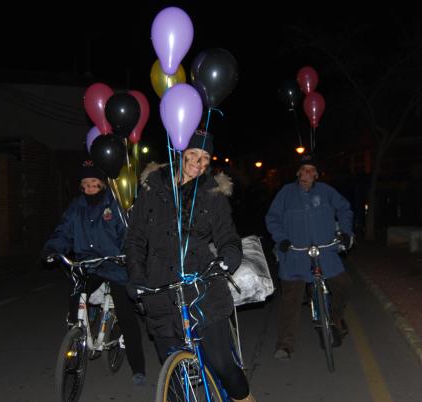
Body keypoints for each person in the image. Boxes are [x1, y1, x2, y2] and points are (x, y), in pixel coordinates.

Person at [125, 131, 255, 402]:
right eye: (193, 155)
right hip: (159, 288)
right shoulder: (152, 189)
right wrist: (136, 276)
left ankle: (245, 399)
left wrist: (228, 258)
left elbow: (227, 235)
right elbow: (135, 238)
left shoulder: (212, 194)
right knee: (173, 375)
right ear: (179, 155)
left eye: (206, 157)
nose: (199, 162)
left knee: (222, 364)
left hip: (204, 285)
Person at [41, 160, 146, 385]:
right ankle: (76, 335)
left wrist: (126, 254)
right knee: (75, 291)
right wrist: (53, 248)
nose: (89, 189)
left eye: (94, 184)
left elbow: (128, 234)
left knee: (126, 314)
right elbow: (64, 231)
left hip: (115, 265)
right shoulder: (76, 207)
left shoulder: (115, 205)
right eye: (85, 185)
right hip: (88, 265)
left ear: (103, 185)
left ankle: (138, 367)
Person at [265, 154, 354, 360]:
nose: (308, 174)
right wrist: (282, 239)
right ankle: (285, 345)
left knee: (345, 285)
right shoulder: (286, 193)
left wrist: (346, 233)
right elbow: (272, 218)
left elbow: (344, 209)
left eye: (312, 170)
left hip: (325, 252)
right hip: (295, 255)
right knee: (291, 299)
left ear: (316, 174)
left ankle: (335, 317)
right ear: (298, 172)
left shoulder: (326, 192)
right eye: (304, 170)